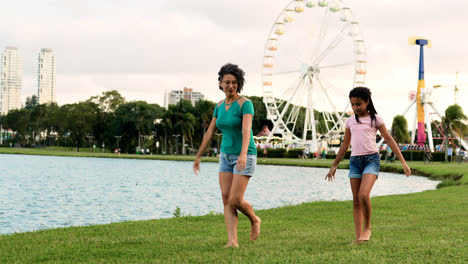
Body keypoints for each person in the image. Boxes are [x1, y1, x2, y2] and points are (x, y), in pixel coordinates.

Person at [325, 87, 411, 244]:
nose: (355, 108)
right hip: (355, 162)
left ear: (367, 102)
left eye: (358, 104)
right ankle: (358, 238)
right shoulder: (350, 121)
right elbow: (345, 145)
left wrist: (403, 162)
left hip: (371, 160)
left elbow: (389, 139)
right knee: (356, 200)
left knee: (364, 194)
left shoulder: (375, 119)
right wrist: (334, 165)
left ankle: (368, 227)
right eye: (352, 105)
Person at [193, 63, 261, 248]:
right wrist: (198, 156)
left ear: (239, 83)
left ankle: (255, 220)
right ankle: (232, 241)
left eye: (234, 82)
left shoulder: (246, 104)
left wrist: (242, 155)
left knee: (236, 199)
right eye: (227, 82)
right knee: (225, 198)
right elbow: (210, 133)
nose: (231, 86)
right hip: (225, 156)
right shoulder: (219, 106)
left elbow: (247, 131)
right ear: (220, 84)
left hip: (245, 155)